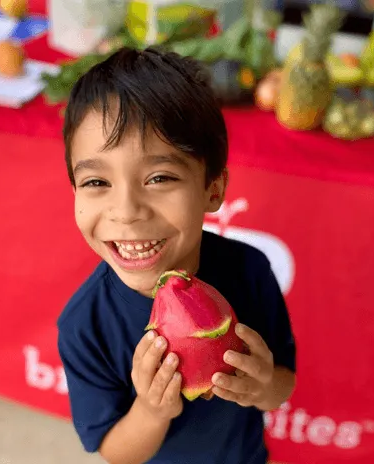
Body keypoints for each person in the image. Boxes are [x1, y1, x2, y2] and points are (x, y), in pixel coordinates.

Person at [57, 46, 296, 464]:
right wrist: (151, 411)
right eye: (97, 181)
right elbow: (116, 452)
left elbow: (283, 387)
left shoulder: (250, 270)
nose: (127, 211)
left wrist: (263, 388)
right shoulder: (84, 324)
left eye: (159, 177)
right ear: (74, 191)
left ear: (213, 189)